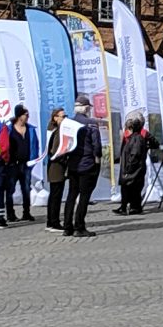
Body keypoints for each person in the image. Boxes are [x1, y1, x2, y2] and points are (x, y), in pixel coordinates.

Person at [61, 99, 101, 237]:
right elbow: (96, 145)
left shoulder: (68, 123)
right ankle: (79, 226)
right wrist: (98, 158)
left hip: (73, 163)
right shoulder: (91, 123)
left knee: (71, 195)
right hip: (87, 163)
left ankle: (67, 226)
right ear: (85, 108)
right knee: (84, 196)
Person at [6, 105, 40, 222]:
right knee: (10, 189)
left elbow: (35, 145)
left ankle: (27, 212)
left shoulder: (30, 129)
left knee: (26, 189)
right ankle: (10, 214)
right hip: (12, 165)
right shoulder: (9, 129)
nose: (28, 117)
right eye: (26, 114)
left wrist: (33, 160)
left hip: (26, 164)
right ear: (20, 116)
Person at [118, 113, 157, 216]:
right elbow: (154, 143)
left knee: (130, 186)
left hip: (131, 163)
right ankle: (131, 206)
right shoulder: (142, 134)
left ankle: (129, 206)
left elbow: (125, 150)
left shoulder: (132, 135)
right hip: (135, 163)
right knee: (135, 186)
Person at [43, 106, 73, 234]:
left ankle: (52, 221)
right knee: (56, 195)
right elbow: (55, 150)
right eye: (63, 116)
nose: (65, 118)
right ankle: (53, 222)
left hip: (55, 166)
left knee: (55, 194)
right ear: (56, 118)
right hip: (56, 166)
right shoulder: (57, 131)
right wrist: (64, 155)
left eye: (66, 116)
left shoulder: (53, 129)